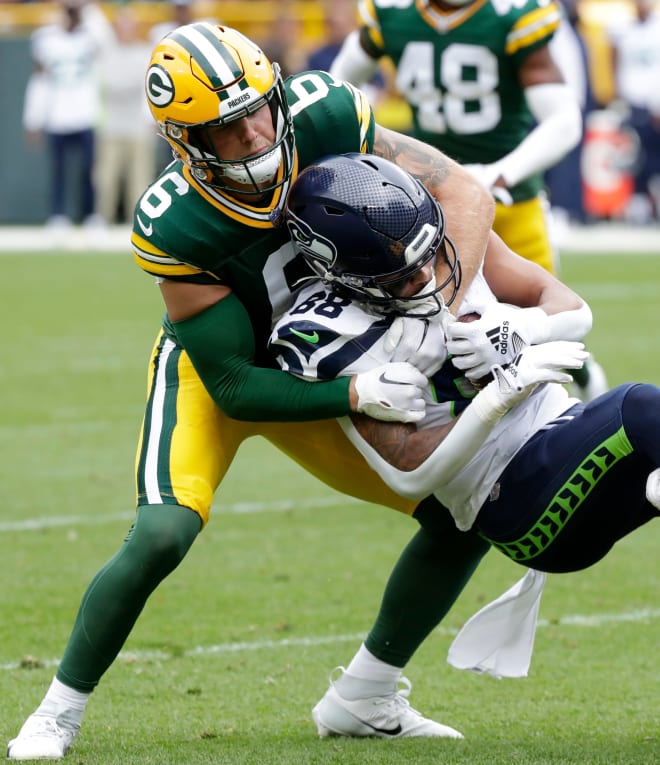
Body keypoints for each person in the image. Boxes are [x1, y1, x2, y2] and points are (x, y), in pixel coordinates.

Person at [7, 22, 496, 760]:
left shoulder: (328, 111)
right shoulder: (174, 221)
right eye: (226, 130)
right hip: (224, 370)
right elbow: (234, 384)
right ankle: (58, 708)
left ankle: (364, 695)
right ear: (185, 140)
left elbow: (460, 189)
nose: (254, 134)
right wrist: (360, 393)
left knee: (464, 510)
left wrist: (443, 318)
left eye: (258, 111)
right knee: (164, 532)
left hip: (328, 356)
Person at [269, 154, 658, 689]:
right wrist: (496, 397)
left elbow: (571, 306)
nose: (428, 275)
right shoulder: (323, 332)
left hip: (567, 433)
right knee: (640, 406)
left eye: (428, 253)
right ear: (340, 270)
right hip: (515, 501)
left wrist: (523, 327)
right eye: (403, 274)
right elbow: (409, 477)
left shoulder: (439, 239)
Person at [329, 0, 608, 401]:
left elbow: (565, 121)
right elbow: (337, 91)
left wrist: (501, 173)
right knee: (435, 330)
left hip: (509, 201)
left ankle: (584, 378)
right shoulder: (392, 10)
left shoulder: (511, 13)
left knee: (542, 328)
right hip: (425, 204)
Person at [22, 0, 112, 230]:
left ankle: (91, 215)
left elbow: (107, 39)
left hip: (85, 114)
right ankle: (58, 216)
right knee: (58, 170)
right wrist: (33, 118)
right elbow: (40, 80)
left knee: (89, 170)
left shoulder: (91, 35)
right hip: (57, 115)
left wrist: (88, 8)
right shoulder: (47, 38)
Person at [96, 6, 157, 225]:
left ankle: (139, 221)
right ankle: (103, 219)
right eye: (122, 25)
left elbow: (145, 88)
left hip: (139, 126)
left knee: (140, 178)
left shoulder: (144, 51)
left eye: (129, 25)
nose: (126, 30)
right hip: (112, 125)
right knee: (106, 178)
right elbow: (112, 83)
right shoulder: (107, 53)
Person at [609, 0, 660, 222]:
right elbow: (615, 63)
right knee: (636, 158)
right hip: (634, 102)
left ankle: (651, 201)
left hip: (655, 101)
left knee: (654, 156)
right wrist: (617, 97)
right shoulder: (622, 30)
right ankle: (639, 202)